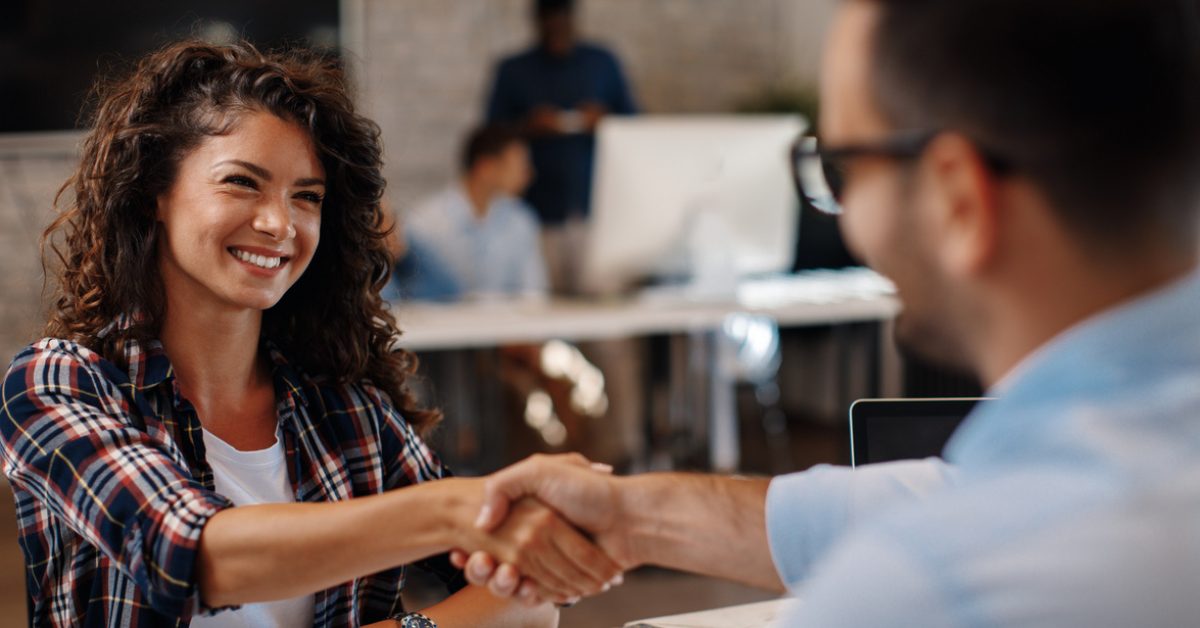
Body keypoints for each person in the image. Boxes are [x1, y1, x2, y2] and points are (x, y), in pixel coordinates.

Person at [450, 0, 1200, 625]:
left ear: (957, 200)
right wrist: (629, 515)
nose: (842, 214)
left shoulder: (928, 589)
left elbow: (947, 529)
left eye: (841, 168)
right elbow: (939, 493)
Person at [0, 40, 622, 627]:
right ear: (151, 196)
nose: (279, 223)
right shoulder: (58, 383)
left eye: (307, 197)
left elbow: (529, 597)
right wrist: (459, 511)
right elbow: (192, 557)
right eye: (242, 181)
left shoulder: (347, 410)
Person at [485, 0, 636, 294]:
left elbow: (635, 126)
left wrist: (605, 121)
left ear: (572, 18)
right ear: (538, 21)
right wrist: (529, 126)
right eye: (549, 21)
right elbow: (490, 135)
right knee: (544, 309)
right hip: (537, 212)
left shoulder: (602, 62)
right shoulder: (514, 70)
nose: (556, 29)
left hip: (596, 209)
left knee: (605, 318)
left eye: (562, 20)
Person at [400, 125, 547, 301]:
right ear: (485, 167)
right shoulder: (424, 223)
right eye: (519, 165)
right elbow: (412, 295)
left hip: (508, 326)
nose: (528, 175)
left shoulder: (521, 221)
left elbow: (533, 294)